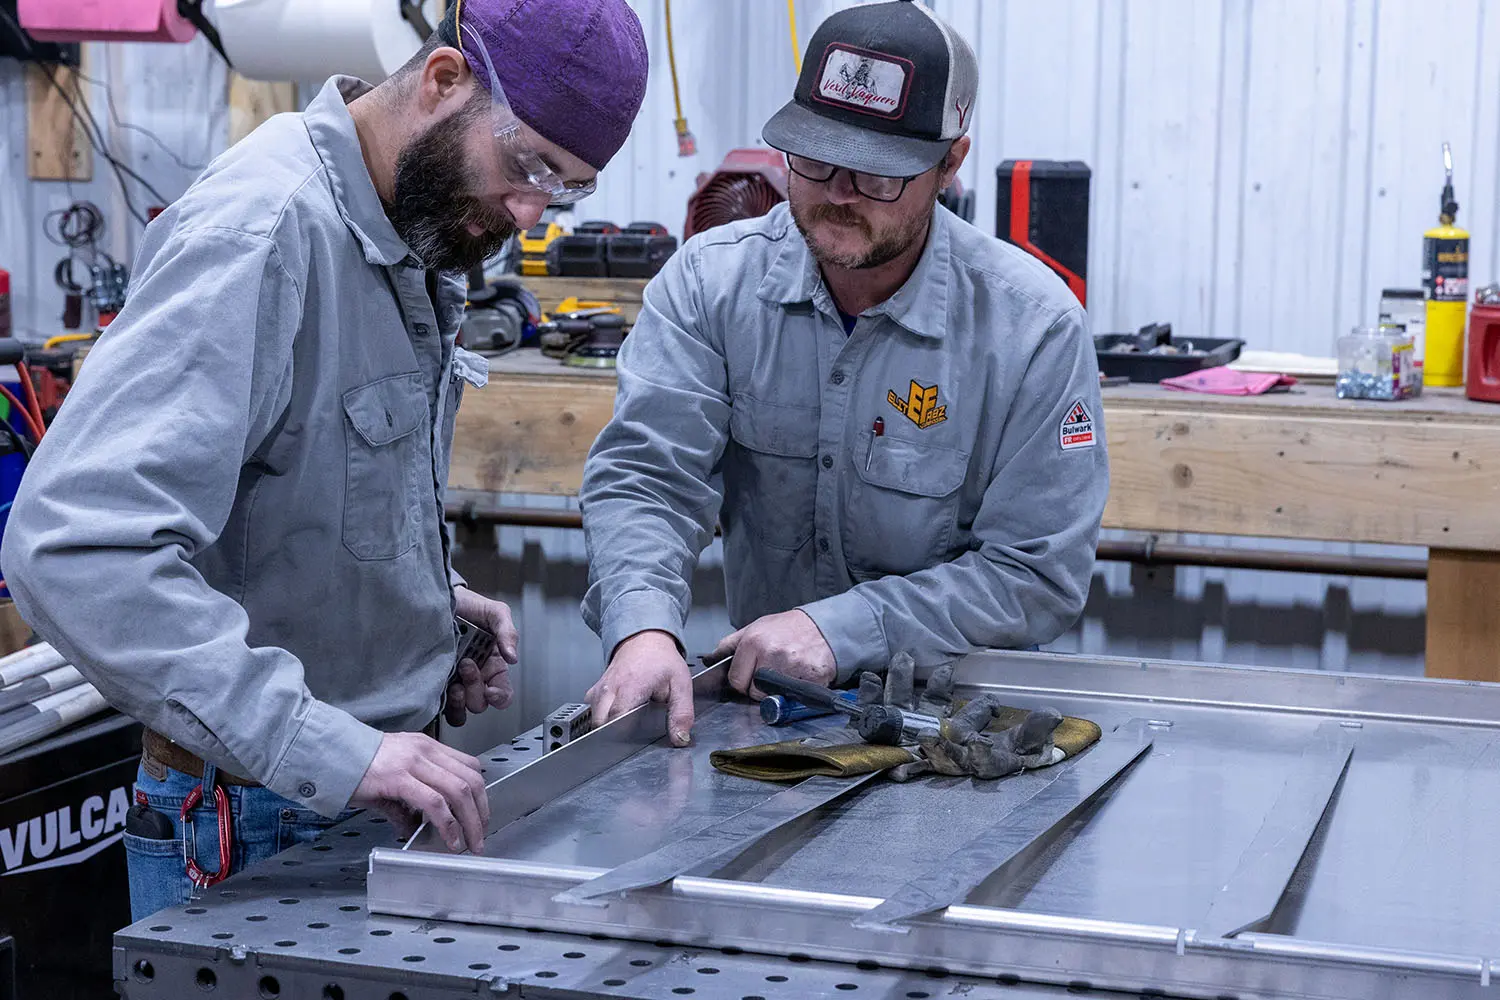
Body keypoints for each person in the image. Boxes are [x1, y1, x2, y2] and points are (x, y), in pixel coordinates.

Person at [0, 0, 647, 919]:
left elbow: (295, 489)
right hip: (250, 820)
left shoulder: (409, 226)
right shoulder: (261, 235)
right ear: (442, 82)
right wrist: (335, 747)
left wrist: (415, 606)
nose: (532, 210)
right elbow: (73, 548)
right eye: (529, 165)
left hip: (355, 804)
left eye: (568, 188)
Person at [579, 0, 1107, 744]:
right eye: (816, 158)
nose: (836, 193)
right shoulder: (708, 285)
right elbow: (648, 478)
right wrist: (641, 629)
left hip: (956, 722)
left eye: (878, 175)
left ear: (949, 162)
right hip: (761, 714)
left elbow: (1035, 573)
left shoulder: (1031, 327)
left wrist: (845, 629)